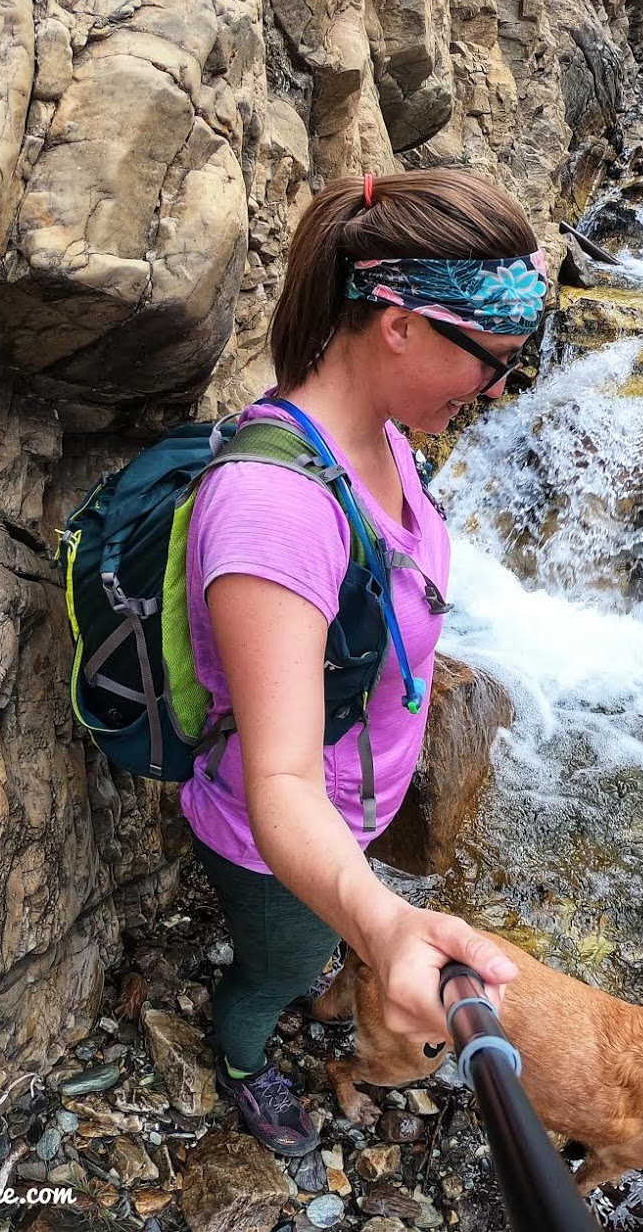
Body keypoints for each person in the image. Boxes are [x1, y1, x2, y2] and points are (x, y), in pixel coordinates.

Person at [179, 169, 548, 1154]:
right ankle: (245, 1058)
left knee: (311, 946)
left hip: (352, 812)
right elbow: (284, 779)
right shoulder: (277, 511)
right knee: (277, 966)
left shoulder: (379, 431)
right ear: (399, 325)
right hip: (278, 841)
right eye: (493, 360)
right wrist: (384, 927)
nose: (501, 387)